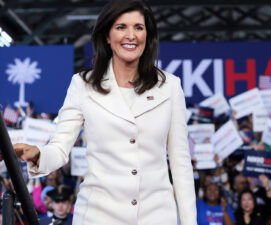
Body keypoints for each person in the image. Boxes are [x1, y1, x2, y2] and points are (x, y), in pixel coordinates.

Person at [7, 0, 197, 224]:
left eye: (138, 27)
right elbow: (59, 150)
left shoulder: (170, 86)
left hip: (156, 216)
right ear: (107, 36)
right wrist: (37, 153)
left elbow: (180, 163)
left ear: (148, 35)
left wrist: (189, 222)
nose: (131, 35)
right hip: (98, 216)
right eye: (121, 27)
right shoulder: (82, 85)